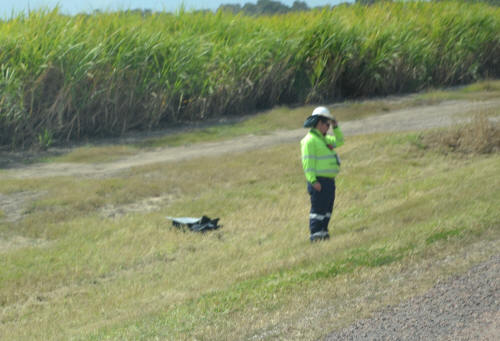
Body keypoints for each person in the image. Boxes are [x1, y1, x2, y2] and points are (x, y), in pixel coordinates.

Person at [300, 106, 344, 242]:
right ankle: (316, 235)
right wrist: (313, 181)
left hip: (329, 181)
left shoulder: (324, 139)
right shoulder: (309, 141)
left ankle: (324, 232)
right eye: (327, 124)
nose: (328, 127)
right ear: (319, 123)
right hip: (318, 182)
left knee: (327, 209)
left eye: (330, 124)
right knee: (318, 210)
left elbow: (340, 141)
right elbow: (308, 163)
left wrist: (336, 127)